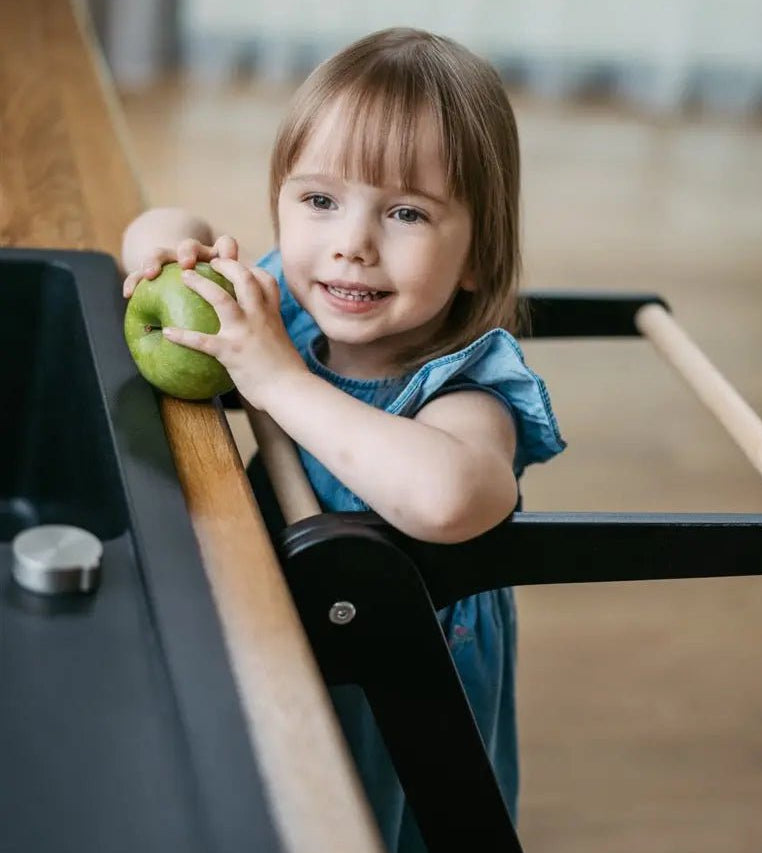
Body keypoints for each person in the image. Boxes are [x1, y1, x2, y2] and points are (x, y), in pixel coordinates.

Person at [121, 27, 565, 851]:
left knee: (356, 817)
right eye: (319, 200)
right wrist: (169, 256)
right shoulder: (289, 307)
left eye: (405, 213)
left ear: (476, 254)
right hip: (283, 610)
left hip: (394, 671)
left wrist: (279, 382)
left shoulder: (466, 387)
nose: (351, 243)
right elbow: (160, 219)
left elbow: (449, 497)